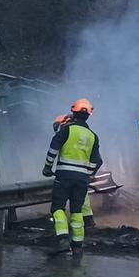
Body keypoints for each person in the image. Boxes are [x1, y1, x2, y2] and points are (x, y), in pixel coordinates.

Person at [43, 99, 102, 253]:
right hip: (81, 180)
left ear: (73, 112)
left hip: (63, 176)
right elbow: (97, 161)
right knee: (76, 211)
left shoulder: (66, 130)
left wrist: (47, 168)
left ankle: (62, 238)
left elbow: (53, 150)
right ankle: (77, 246)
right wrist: (86, 175)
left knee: (58, 207)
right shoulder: (92, 135)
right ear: (89, 114)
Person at [55, 114, 95, 226]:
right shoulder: (85, 133)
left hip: (67, 176)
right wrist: (89, 173)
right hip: (81, 177)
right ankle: (87, 221)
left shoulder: (67, 135)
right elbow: (96, 159)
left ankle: (69, 231)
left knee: (61, 206)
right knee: (82, 201)